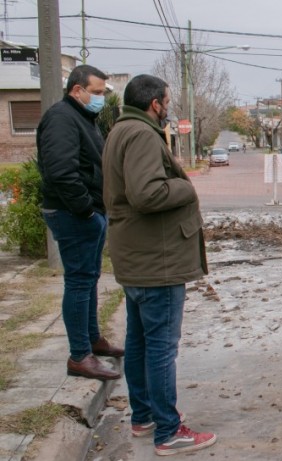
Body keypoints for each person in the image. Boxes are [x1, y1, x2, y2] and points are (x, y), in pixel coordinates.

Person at [102, 74, 216, 456]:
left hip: (140, 257)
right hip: (156, 262)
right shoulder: (141, 134)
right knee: (161, 349)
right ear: (155, 103)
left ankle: (144, 416)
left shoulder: (123, 129)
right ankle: (169, 431)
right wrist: (186, 186)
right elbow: (146, 193)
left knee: (139, 343)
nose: (169, 107)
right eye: (167, 101)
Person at [36, 64, 124, 381]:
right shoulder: (62, 118)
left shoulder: (82, 118)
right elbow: (61, 172)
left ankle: (92, 341)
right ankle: (79, 356)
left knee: (88, 279)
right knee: (78, 281)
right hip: (73, 215)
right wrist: (86, 211)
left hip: (87, 213)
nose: (100, 98)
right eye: (97, 93)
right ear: (77, 90)